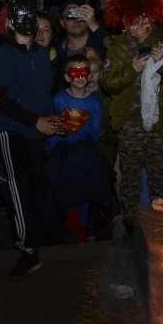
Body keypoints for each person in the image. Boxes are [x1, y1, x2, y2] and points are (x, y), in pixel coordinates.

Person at [101, 0, 163, 221]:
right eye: (135, 21)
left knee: (160, 177)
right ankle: (130, 225)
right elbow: (108, 84)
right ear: (124, 23)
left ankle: (162, 225)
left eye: (146, 20)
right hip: (130, 124)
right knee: (130, 179)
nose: (142, 26)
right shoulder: (115, 48)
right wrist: (132, 69)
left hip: (158, 125)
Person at [0, 6, 59, 275]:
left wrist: (53, 120)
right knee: (19, 189)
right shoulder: (3, 56)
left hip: (36, 132)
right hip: (14, 131)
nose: (29, 27)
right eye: (23, 22)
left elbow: (44, 93)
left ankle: (36, 241)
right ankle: (27, 249)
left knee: (34, 188)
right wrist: (36, 121)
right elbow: (3, 100)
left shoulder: (42, 55)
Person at [47, 53, 111, 242]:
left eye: (84, 72)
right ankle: (69, 223)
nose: (80, 77)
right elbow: (53, 123)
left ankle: (84, 223)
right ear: (67, 77)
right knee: (65, 185)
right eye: (75, 73)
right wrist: (51, 145)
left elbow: (95, 131)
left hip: (86, 151)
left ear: (90, 75)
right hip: (63, 151)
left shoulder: (94, 102)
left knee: (87, 184)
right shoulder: (59, 99)